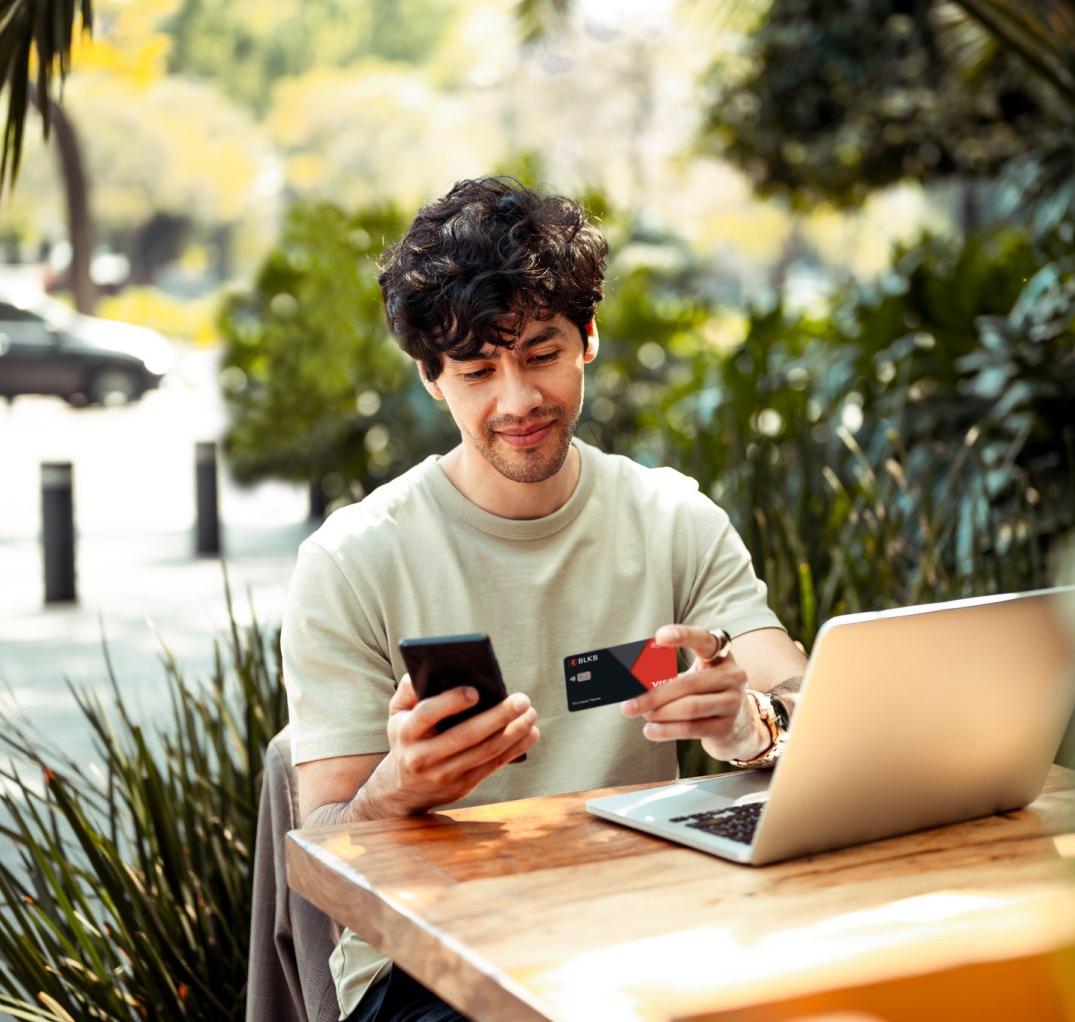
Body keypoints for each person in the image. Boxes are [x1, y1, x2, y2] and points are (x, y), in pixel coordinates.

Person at [280, 176, 809, 1022]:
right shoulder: (352, 560)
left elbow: (805, 706)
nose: (518, 400)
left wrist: (753, 726)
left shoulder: (673, 518)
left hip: (650, 922)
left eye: (540, 354)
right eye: (478, 369)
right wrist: (399, 786)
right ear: (430, 378)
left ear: (588, 339)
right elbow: (327, 840)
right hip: (429, 967)